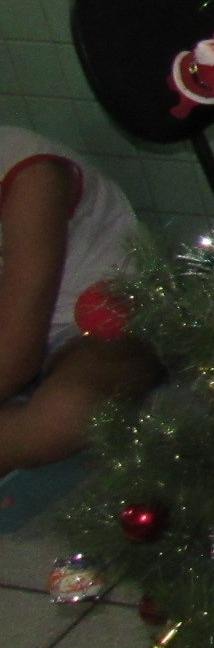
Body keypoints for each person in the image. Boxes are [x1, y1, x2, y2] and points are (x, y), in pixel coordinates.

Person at [0, 127, 156, 475]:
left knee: (62, 417)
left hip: (95, 335)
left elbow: (16, 355)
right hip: (18, 343)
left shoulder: (32, 176)